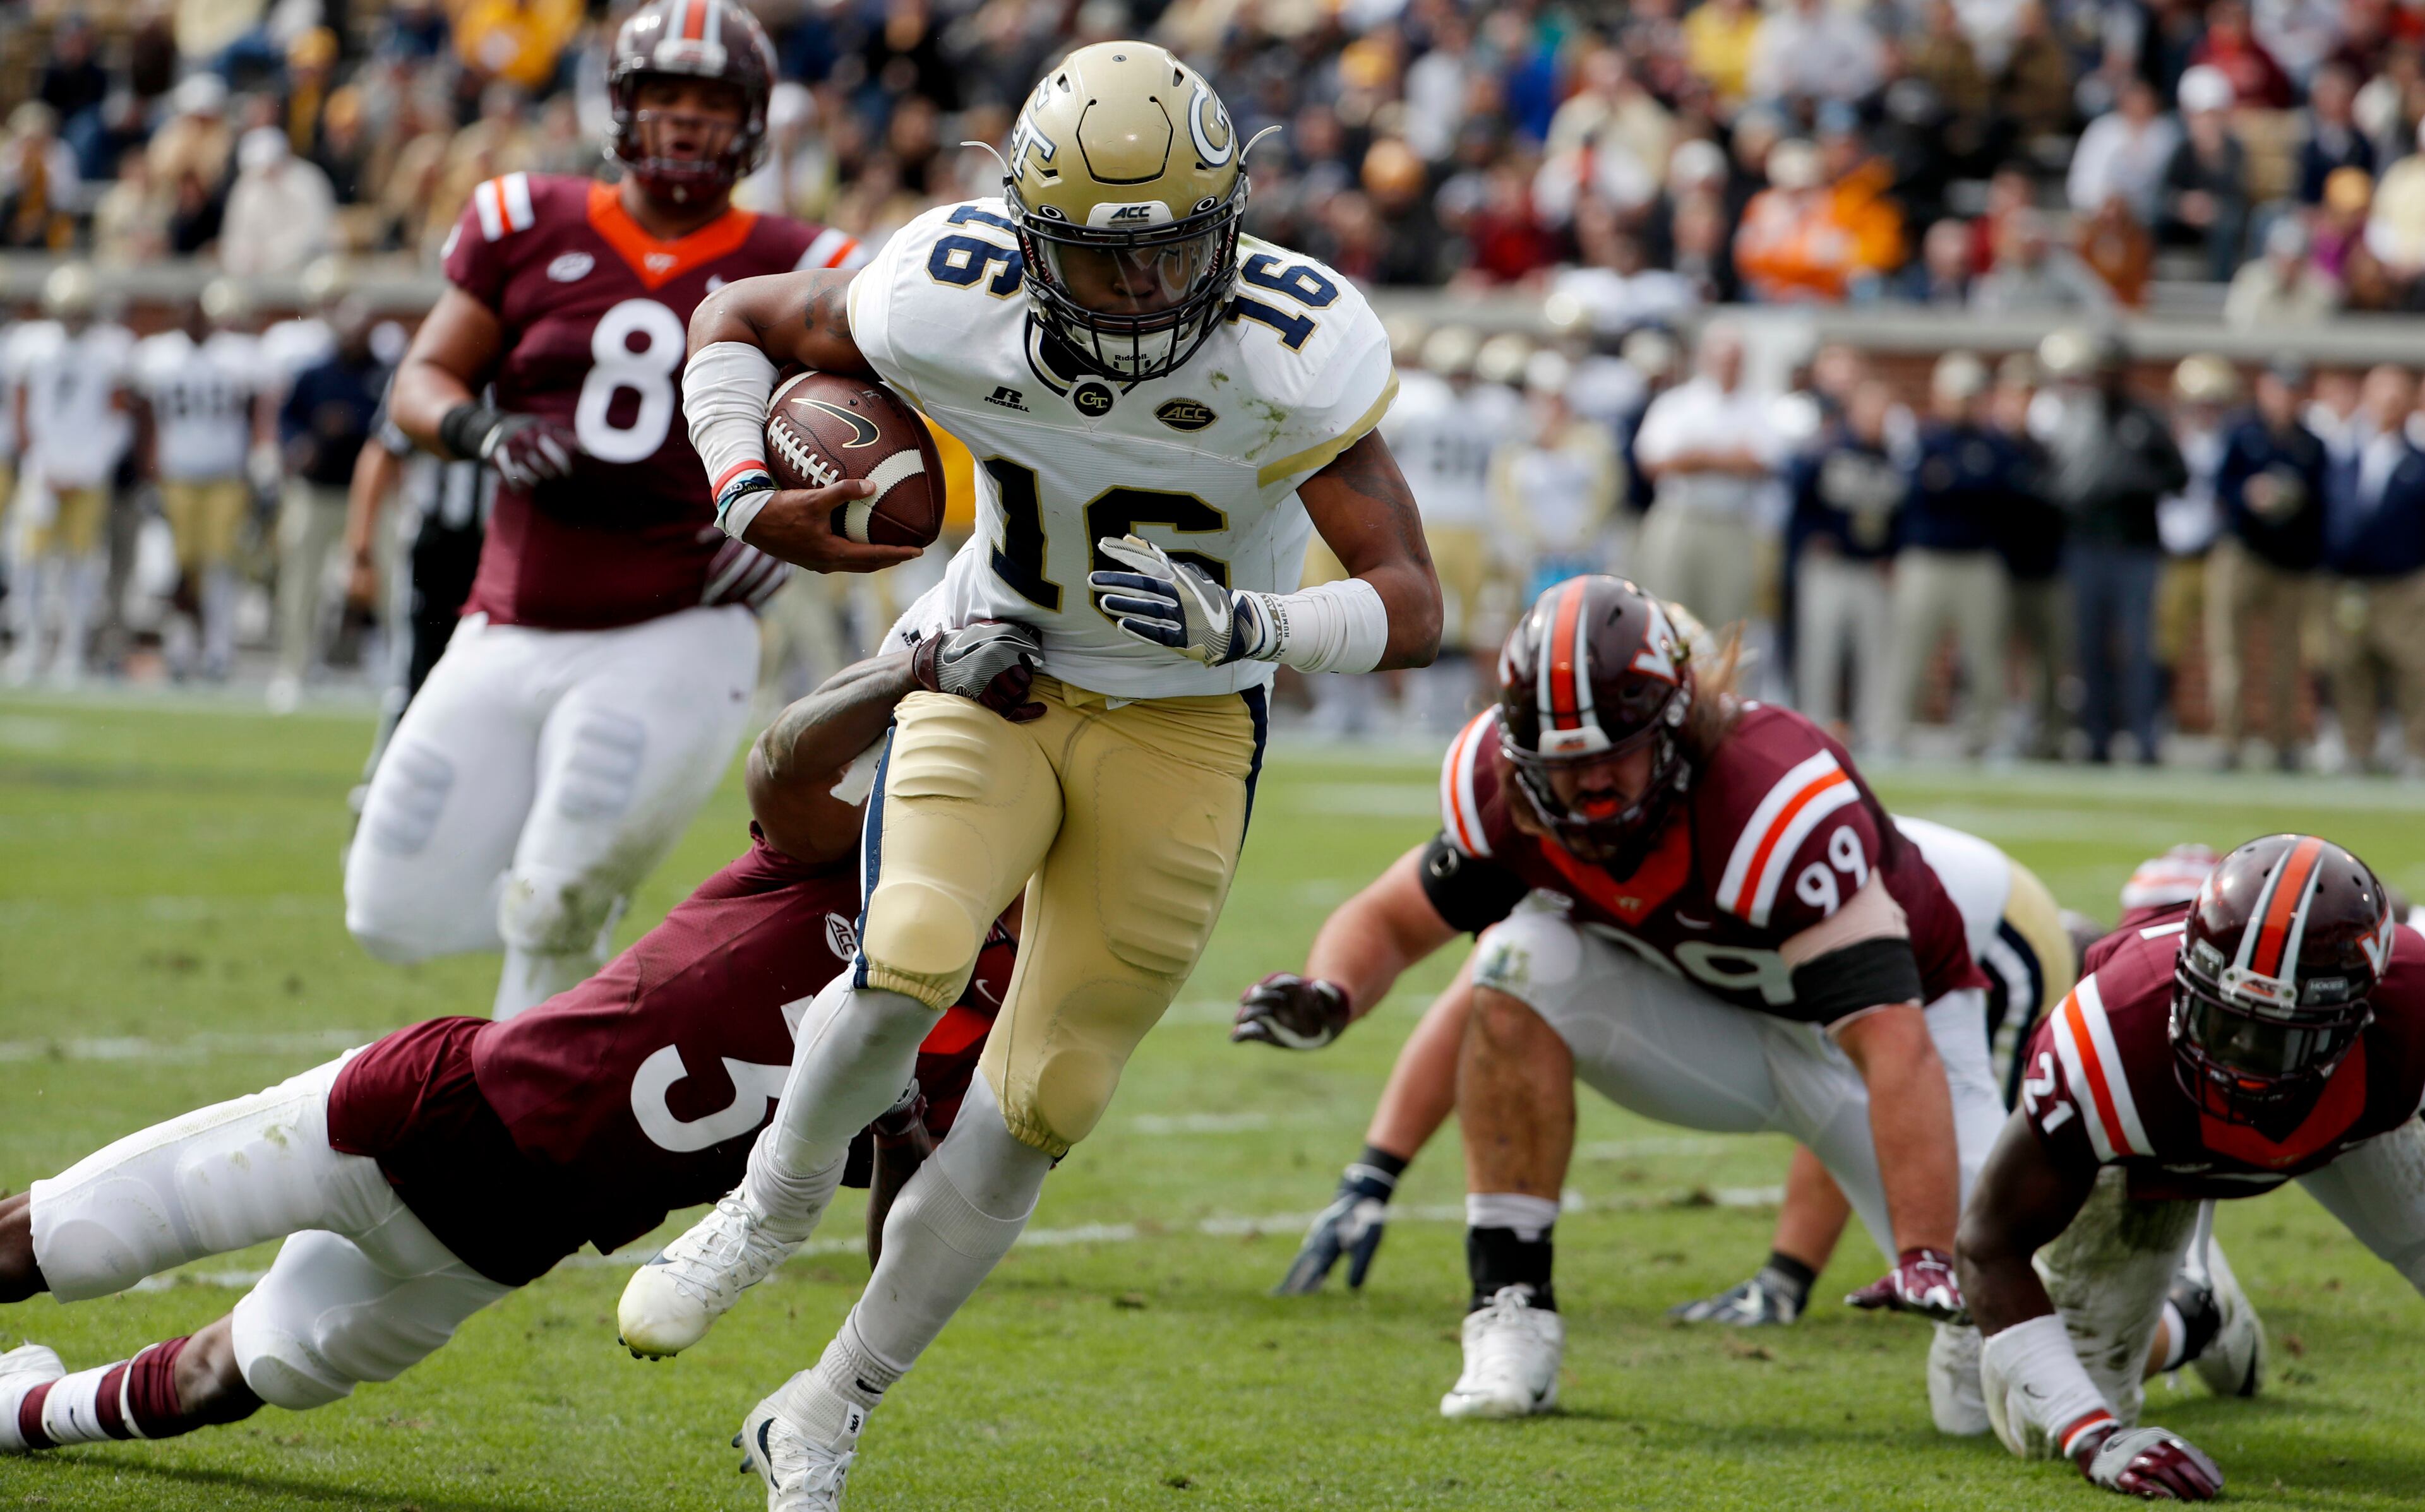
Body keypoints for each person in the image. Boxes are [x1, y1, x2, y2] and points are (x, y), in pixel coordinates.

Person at [618, 41, 1441, 1511]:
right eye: (1095, 258)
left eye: (1169, 251)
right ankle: (766, 1208)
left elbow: (1412, 600)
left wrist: (1255, 623)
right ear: (1025, 231)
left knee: (1047, 1094)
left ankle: (825, 1408)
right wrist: (746, 485)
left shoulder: (1292, 340)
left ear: (1229, 215)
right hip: (990, 657)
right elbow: (734, 314)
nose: (1136, 291)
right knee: (908, 955)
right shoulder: (950, 283)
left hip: (1186, 717)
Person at [0, 623, 1037, 1460]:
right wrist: (908, 670)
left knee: (232, 1380)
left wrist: (900, 1129)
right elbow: (780, 765)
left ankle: (22, 1410)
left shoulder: (992, 1019)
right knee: (70, 1242)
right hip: (430, 1113)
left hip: (504, 1245)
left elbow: (900, 1237)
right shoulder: (861, 858)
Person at [1235, 576, 1996, 1431]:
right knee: (1518, 959)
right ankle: (1510, 1308)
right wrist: (1333, 992)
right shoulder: (1504, 793)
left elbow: (1893, 1042)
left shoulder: (1774, 797)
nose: (1592, 787)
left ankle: (2174, 1312)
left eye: (1614, 754)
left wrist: (1928, 1247)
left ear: (1676, 725)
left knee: (2006, 1365)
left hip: (1890, 1039)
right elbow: (1396, 921)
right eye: (1564, 765)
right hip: (1718, 1033)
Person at [356, 0, 873, 1022]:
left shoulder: (809, 261)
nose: (686, 121)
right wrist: (485, 434)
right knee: (390, 907)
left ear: (755, 122)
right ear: (622, 109)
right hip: (508, 615)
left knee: (556, 897)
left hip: (676, 618)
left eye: (712, 102)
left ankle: (525, 1093)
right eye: (665, 97)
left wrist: (791, 525)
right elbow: (422, 381)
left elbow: (869, 435)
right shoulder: (523, 217)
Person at [1958, 835, 2425, 1500]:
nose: (2237, 1058)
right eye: (2220, 1020)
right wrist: (2093, 1434)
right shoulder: (2110, 1036)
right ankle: (2200, 1310)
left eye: (2276, 1035)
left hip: (2344, 1126)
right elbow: (1986, 1244)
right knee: (2032, 1427)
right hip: (2153, 1151)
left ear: (2359, 1017)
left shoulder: (2411, 1010)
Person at [2039, 329, 2186, 764]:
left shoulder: (2145, 419)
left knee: (2139, 646)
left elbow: (2178, 477)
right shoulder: (2075, 419)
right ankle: (2096, 738)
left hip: (2136, 547)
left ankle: (2144, 737)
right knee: (2088, 645)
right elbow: (2052, 481)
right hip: (2086, 544)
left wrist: (2131, 482)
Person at [1386, 325, 1521, 729]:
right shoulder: (1428, 402)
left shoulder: (1418, 400)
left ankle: (1449, 708)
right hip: (1438, 521)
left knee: (1468, 622)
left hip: (1466, 522)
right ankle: (1423, 706)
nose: (1461, 379)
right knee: (1432, 615)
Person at [132, 282, 267, 682]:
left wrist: (255, 465)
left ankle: (219, 650)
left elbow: (253, 412)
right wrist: (148, 475)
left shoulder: (237, 357)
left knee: (222, 565)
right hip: (178, 477)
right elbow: (145, 420)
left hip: (225, 475)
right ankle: (182, 648)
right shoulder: (159, 357)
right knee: (179, 569)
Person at [5, 262, 132, 688]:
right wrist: (40, 463)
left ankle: (72, 651)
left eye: (81, 309)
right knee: (29, 563)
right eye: (68, 309)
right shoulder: (32, 345)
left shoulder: (109, 349)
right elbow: (20, 411)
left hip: (85, 472)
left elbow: (117, 417)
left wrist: (88, 468)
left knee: (81, 566)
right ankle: (30, 645)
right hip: (44, 470)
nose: (74, 317)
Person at [1889, 352, 2023, 757]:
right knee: (1911, 650)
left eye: (1971, 396)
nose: (1964, 404)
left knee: (1986, 655)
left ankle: (1988, 735)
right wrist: (1963, 484)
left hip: (1977, 559)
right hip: (1927, 558)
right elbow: (1916, 491)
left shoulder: (1993, 442)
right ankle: (1895, 732)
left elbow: (1999, 493)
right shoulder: (1925, 438)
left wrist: (1954, 482)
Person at [2209, 361, 2328, 770]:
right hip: (2243, 551)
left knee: (2286, 657)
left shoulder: (2311, 443)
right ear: (2263, 388)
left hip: (2290, 561)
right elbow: (2219, 487)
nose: (2285, 398)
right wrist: (2249, 494)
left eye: (2293, 390)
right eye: (2279, 388)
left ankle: (2283, 741)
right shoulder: (2241, 432)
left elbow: (2323, 502)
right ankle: (2229, 739)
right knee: (2229, 653)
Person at [271, 296, 388, 711]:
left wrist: (350, 423)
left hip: (369, 495)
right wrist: (300, 445)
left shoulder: (383, 375)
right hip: (317, 490)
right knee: (301, 582)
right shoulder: (314, 374)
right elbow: (286, 422)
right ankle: (294, 668)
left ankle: (393, 666)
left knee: (389, 581)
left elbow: (391, 426)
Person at [1631, 321, 1784, 633]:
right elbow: (1654, 462)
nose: (1728, 367)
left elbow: (1763, 462)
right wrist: (1728, 458)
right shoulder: (1677, 403)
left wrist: (1697, 456)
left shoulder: (1759, 407)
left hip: (1731, 522)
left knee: (1728, 624)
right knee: (1668, 616)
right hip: (1681, 517)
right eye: (1722, 358)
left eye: (1735, 359)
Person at [1786, 376, 1901, 749]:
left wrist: (1891, 554)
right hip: (1830, 566)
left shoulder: (1892, 456)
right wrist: (1810, 540)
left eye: (1882, 411)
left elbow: (1902, 515)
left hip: (1871, 569)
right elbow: (1797, 500)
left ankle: (1876, 735)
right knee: (1820, 653)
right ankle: (1813, 731)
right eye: (1869, 409)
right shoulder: (1827, 449)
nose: (1876, 418)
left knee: (1876, 657)